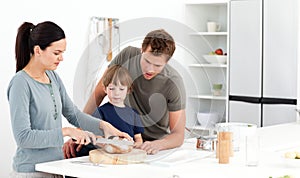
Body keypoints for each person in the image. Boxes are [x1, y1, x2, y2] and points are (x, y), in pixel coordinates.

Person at [7, 21, 131, 178]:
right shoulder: (20, 83)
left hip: (56, 168)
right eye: (57, 53)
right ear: (38, 50)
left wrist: (105, 127)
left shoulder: (52, 77)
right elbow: (23, 137)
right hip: (32, 172)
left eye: (63, 53)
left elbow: (73, 114)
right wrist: (66, 132)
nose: (61, 58)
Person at [64, 29, 186, 156]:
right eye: (147, 61)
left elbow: (178, 134)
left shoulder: (174, 83)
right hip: (119, 138)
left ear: (167, 62)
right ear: (142, 50)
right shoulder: (127, 55)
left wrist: (156, 145)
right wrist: (79, 132)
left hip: (151, 145)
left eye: (157, 66)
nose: (150, 69)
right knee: (76, 152)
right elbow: (99, 93)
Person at [92, 64, 144, 147]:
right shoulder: (100, 111)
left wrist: (136, 145)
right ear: (105, 89)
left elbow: (138, 138)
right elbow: (96, 136)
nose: (116, 93)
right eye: (112, 88)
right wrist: (106, 145)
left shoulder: (134, 114)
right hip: (107, 154)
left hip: (127, 154)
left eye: (121, 89)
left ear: (128, 90)